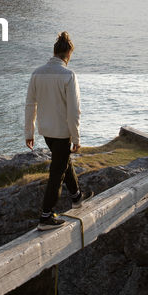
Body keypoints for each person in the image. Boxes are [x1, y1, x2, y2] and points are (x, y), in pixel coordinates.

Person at [24, 30, 90, 230]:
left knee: (62, 162)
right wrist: (76, 136)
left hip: (46, 132)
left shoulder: (37, 73)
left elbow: (30, 105)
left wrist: (29, 133)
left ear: (54, 52)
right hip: (62, 132)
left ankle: (77, 197)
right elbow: (74, 109)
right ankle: (46, 216)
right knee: (57, 173)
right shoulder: (68, 75)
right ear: (68, 54)